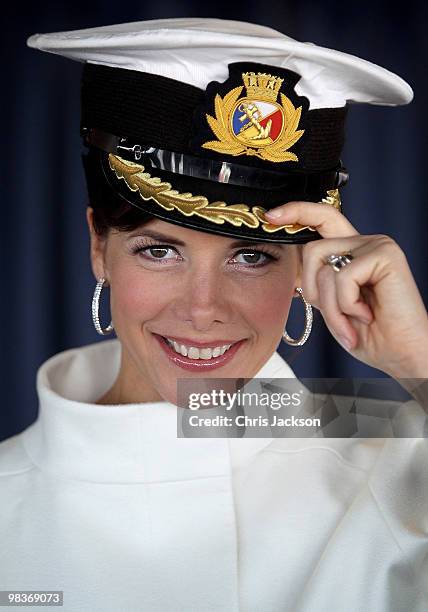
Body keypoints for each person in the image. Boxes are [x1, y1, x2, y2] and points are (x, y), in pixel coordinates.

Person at [0, 17, 427, 612]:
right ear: (99, 245)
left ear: (308, 264)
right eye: (159, 250)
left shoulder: (404, 471)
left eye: (252, 256)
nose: (203, 310)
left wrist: (417, 359)